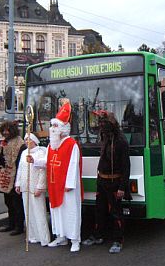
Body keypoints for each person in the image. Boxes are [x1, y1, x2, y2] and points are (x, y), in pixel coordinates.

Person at [27, 98, 83, 252]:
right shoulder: (52, 145)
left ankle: (75, 240)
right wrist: (34, 160)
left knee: (70, 212)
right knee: (56, 212)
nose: (52, 128)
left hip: (66, 186)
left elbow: (73, 165)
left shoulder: (72, 145)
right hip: (54, 185)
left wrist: (70, 184)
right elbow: (46, 160)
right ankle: (61, 237)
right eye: (52, 125)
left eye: (55, 126)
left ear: (64, 128)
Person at [82, 110, 131, 254]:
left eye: (104, 123)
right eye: (100, 123)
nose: (101, 126)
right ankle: (98, 235)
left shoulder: (121, 141)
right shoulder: (104, 138)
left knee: (116, 212)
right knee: (99, 210)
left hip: (114, 182)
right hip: (102, 180)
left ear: (111, 124)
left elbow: (126, 167)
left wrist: (122, 187)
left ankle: (118, 240)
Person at [0, 120, 26, 235]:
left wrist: (17, 180)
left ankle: (19, 227)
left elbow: (20, 163)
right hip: (5, 176)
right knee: (8, 202)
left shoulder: (20, 144)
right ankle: (11, 224)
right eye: (4, 130)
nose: (5, 133)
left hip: (15, 177)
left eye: (7, 130)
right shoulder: (5, 142)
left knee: (17, 204)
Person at [15, 133, 50, 247]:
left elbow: (42, 171)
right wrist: (18, 183)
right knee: (28, 212)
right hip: (26, 186)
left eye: (29, 140)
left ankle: (43, 237)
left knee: (39, 212)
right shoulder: (24, 153)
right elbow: (20, 169)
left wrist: (40, 187)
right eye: (25, 140)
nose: (26, 142)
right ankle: (32, 235)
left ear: (34, 141)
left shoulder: (41, 152)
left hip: (35, 186)